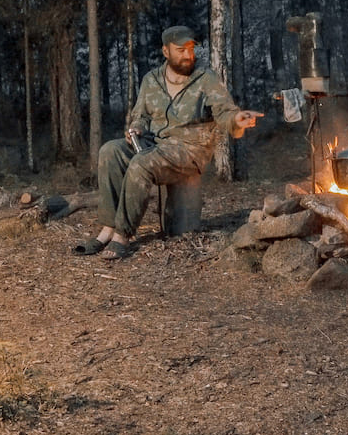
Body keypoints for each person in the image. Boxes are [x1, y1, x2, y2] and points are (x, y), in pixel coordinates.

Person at [73, 25, 263, 259]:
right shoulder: (151, 80)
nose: (188, 55)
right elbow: (140, 115)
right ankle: (107, 229)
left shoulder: (206, 79)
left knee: (142, 163)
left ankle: (122, 235)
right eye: (181, 50)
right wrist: (137, 128)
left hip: (190, 150)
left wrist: (237, 118)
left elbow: (224, 111)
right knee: (110, 151)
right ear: (166, 51)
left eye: (191, 49)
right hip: (155, 144)